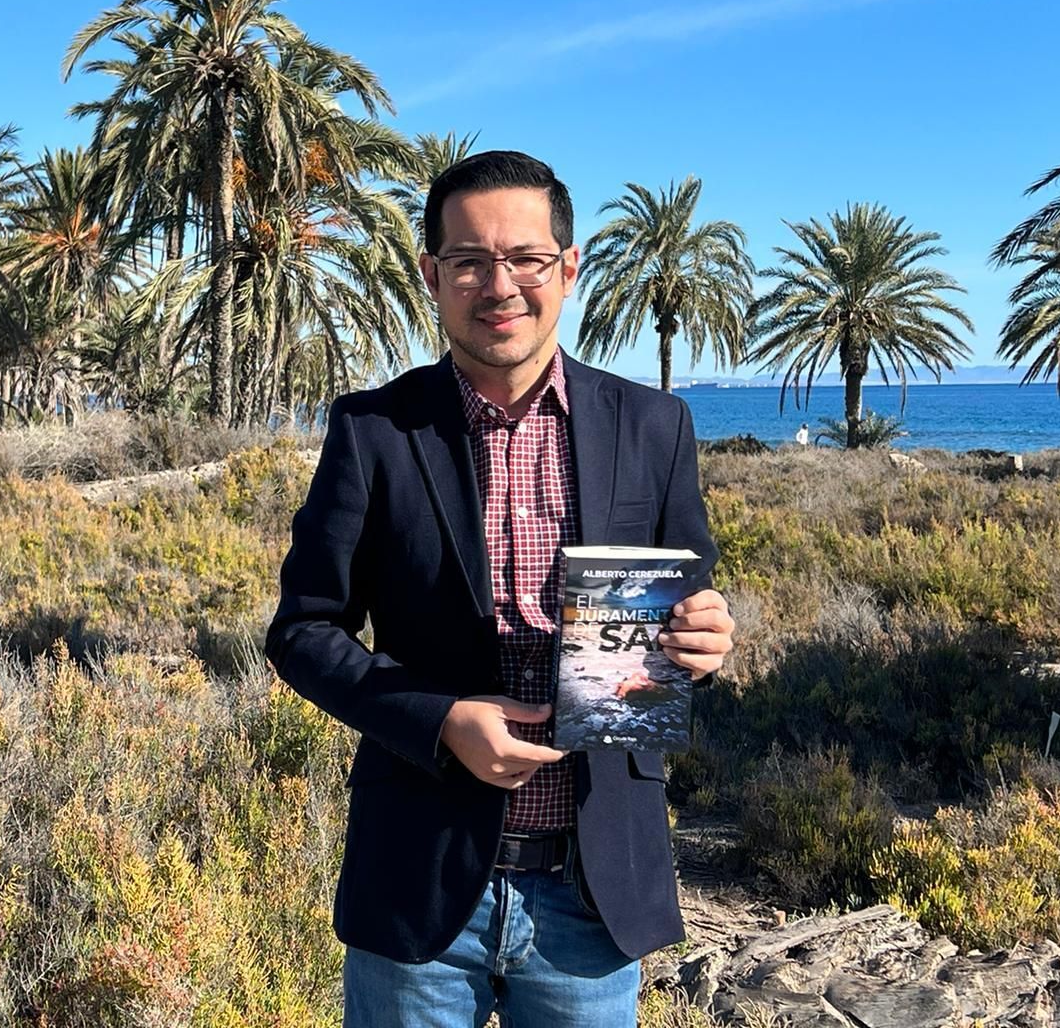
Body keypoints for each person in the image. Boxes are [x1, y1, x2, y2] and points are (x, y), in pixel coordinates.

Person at [266, 150, 736, 1027]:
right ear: (431, 274)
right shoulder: (374, 431)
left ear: (568, 267)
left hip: (592, 891)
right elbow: (303, 631)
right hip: (420, 881)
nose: (499, 286)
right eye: (470, 262)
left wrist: (703, 642)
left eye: (525, 259)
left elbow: (684, 609)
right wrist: (440, 720)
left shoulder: (653, 425)